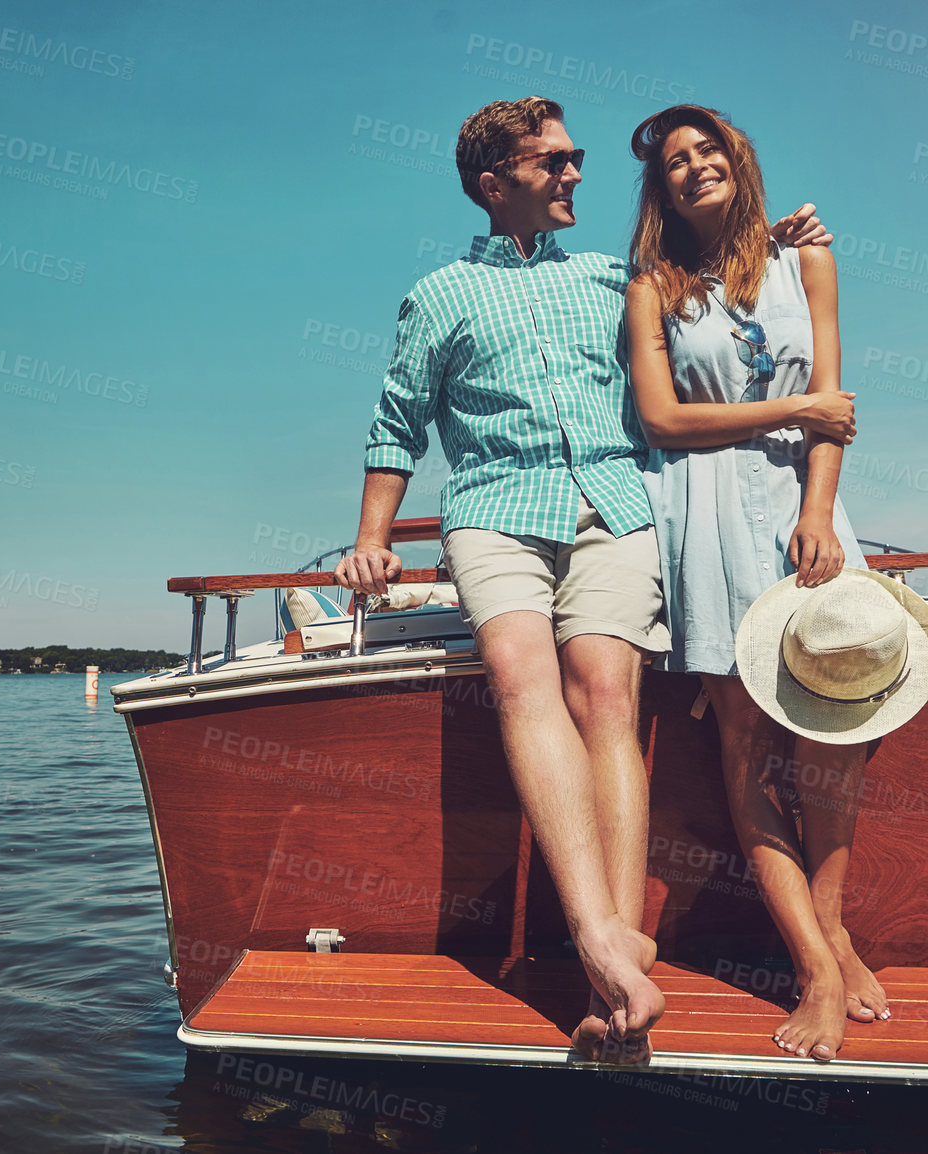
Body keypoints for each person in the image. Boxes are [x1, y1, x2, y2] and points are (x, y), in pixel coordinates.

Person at [334, 96, 830, 1061]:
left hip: (613, 506)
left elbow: (707, 286)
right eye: (553, 162)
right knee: (524, 673)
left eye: (576, 159)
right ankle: (603, 939)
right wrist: (371, 540)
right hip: (495, 513)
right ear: (494, 183)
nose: (573, 174)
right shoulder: (436, 296)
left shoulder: (615, 279)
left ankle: (623, 939)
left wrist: (773, 234)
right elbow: (396, 426)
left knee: (606, 688)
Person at [625, 103, 883, 1062]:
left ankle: (834, 931)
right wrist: (802, 405)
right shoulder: (652, 288)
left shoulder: (805, 257)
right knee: (744, 743)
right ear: (661, 191)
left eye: (708, 150)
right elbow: (660, 422)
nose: (693, 167)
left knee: (836, 734)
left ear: (740, 160)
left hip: (801, 507)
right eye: (675, 163)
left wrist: (817, 515)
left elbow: (836, 409)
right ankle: (816, 966)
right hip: (705, 515)